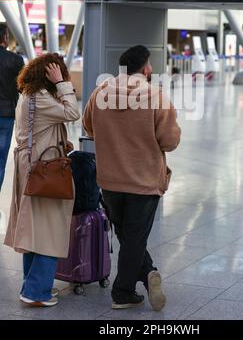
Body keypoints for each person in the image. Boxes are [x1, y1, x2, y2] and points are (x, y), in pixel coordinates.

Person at [83, 45, 181, 311]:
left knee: (127, 236)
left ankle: (148, 273)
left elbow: (88, 127)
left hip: (110, 179)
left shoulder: (100, 92)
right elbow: (170, 141)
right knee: (135, 237)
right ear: (146, 69)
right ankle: (122, 292)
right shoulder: (156, 96)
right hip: (144, 180)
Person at [4, 53, 80, 307]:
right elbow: (72, 112)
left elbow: (42, 127)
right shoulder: (42, 97)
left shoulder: (30, 94)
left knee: (35, 229)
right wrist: (62, 83)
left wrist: (59, 140)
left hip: (32, 165)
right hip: (44, 170)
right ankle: (37, 291)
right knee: (49, 228)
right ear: (50, 74)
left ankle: (34, 285)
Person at [0, 25, 24, 191]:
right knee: (0, 158)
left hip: (7, 114)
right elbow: (23, 87)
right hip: (6, 114)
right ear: (5, 38)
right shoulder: (16, 60)